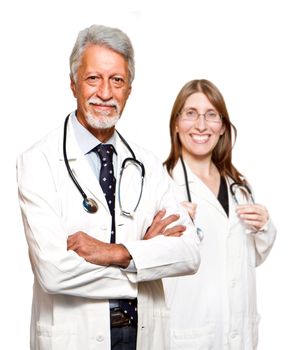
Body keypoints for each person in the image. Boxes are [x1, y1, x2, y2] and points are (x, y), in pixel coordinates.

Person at [16, 25, 201, 350]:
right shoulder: (39, 161)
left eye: (117, 80)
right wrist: (145, 263)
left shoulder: (147, 164)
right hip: (74, 337)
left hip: (143, 332)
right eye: (93, 78)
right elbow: (54, 271)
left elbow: (189, 253)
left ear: (129, 89)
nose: (105, 92)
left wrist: (117, 252)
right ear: (73, 83)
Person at [162, 79, 276, 349]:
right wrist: (167, 234)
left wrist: (264, 227)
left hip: (239, 333)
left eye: (211, 115)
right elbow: (145, 261)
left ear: (222, 127)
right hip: (187, 334)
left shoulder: (239, 187)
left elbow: (252, 257)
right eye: (191, 114)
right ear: (176, 123)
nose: (201, 125)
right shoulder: (162, 185)